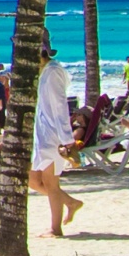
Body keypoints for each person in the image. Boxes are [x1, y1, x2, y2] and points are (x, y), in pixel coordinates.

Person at [30, 38, 82, 237]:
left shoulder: (53, 72)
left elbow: (60, 107)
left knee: (51, 183)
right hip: (42, 134)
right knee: (33, 180)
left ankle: (55, 229)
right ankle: (70, 202)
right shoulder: (43, 71)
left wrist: (67, 140)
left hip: (53, 135)